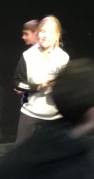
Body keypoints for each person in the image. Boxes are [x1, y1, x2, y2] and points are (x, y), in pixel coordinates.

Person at [13, 15, 70, 145]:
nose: (44, 36)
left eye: (49, 32)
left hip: (55, 116)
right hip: (30, 112)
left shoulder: (63, 58)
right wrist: (37, 87)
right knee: (21, 151)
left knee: (53, 152)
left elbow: (67, 85)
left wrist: (58, 85)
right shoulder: (28, 55)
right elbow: (17, 82)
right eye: (42, 31)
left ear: (57, 35)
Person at [14, 19, 39, 106]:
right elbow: (19, 82)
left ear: (36, 33)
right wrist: (23, 87)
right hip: (29, 105)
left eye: (26, 34)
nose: (23, 37)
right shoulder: (28, 55)